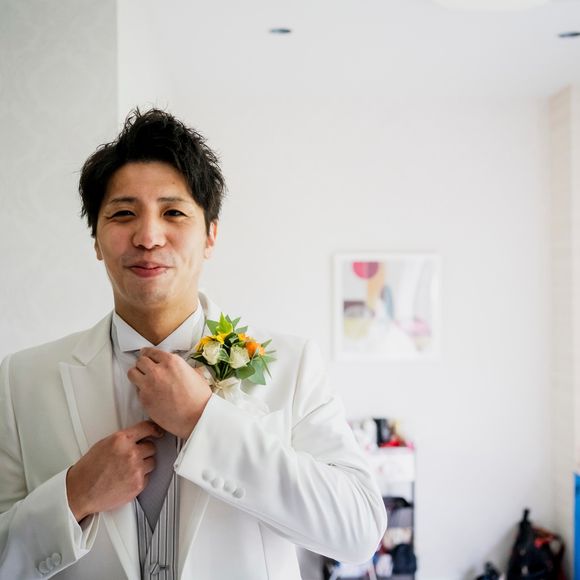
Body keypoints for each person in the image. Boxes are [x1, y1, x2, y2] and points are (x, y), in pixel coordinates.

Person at [0, 109, 387, 579]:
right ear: (96, 240)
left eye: (173, 213)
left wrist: (205, 421)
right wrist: (74, 494)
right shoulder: (21, 380)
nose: (148, 237)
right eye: (123, 214)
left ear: (210, 236)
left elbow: (358, 531)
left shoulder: (292, 364)